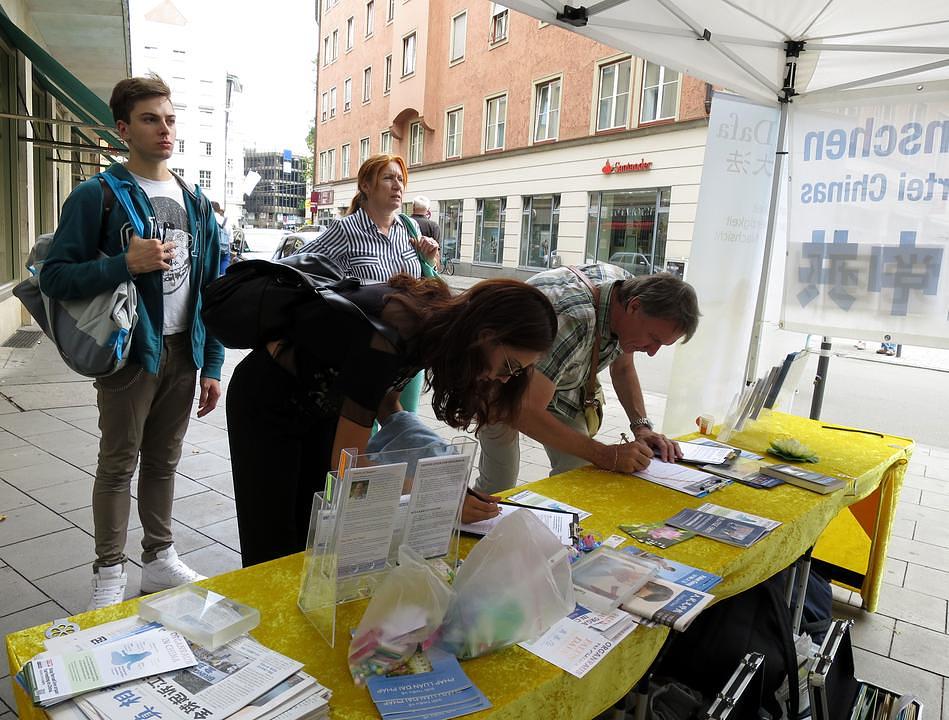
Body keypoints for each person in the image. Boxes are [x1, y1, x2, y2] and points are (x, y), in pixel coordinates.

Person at [40, 74, 223, 609]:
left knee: (165, 459)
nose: (164, 129)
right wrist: (125, 263)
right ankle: (108, 570)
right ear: (123, 128)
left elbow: (210, 285)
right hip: (129, 351)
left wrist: (212, 364)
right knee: (119, 461)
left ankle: (159, 558)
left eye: (169, 118)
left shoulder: (195, 199)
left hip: (183, 349)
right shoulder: (98, 194)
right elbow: (55, 277)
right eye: (150, 119)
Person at [226, 275, 557, 566]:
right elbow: (349, 466)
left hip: (322, 406)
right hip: (266, 403)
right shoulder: (395, 331)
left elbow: (382, 399)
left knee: (314, 530)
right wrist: (441, 497)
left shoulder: (436, 327)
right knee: (272, 544)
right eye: (509, 366)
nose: (503, 380)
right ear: (486, 335)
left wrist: (444, 478)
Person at [475, 267, 700, 495]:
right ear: (634, 306)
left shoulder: (627, 294)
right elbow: (524, 411)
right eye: (653, 339)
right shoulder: (575, 317)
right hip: (497, 378)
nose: (652, 352)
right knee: (498, 483)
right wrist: (605, 454)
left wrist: (641, 427)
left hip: (556, 384)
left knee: (579, 473)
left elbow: (622, 368)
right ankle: (467, 522)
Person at [297, 154, 439, 415]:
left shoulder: (409, 228)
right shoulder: (346, 229)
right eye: (388, 178)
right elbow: (297, 266)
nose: (397, 186)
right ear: (365, 185)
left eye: (400, 179)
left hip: (408, 350)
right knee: (363, 435)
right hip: (366, 349)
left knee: (400, 431)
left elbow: (427, 287)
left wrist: (428, 261)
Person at [211, 201, 231, 275]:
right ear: (219, 210)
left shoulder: (209, 219)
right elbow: (231, 238)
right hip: (225, 249)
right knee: (223, 272)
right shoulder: (226, 220)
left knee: (211, 273)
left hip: (212, 248)